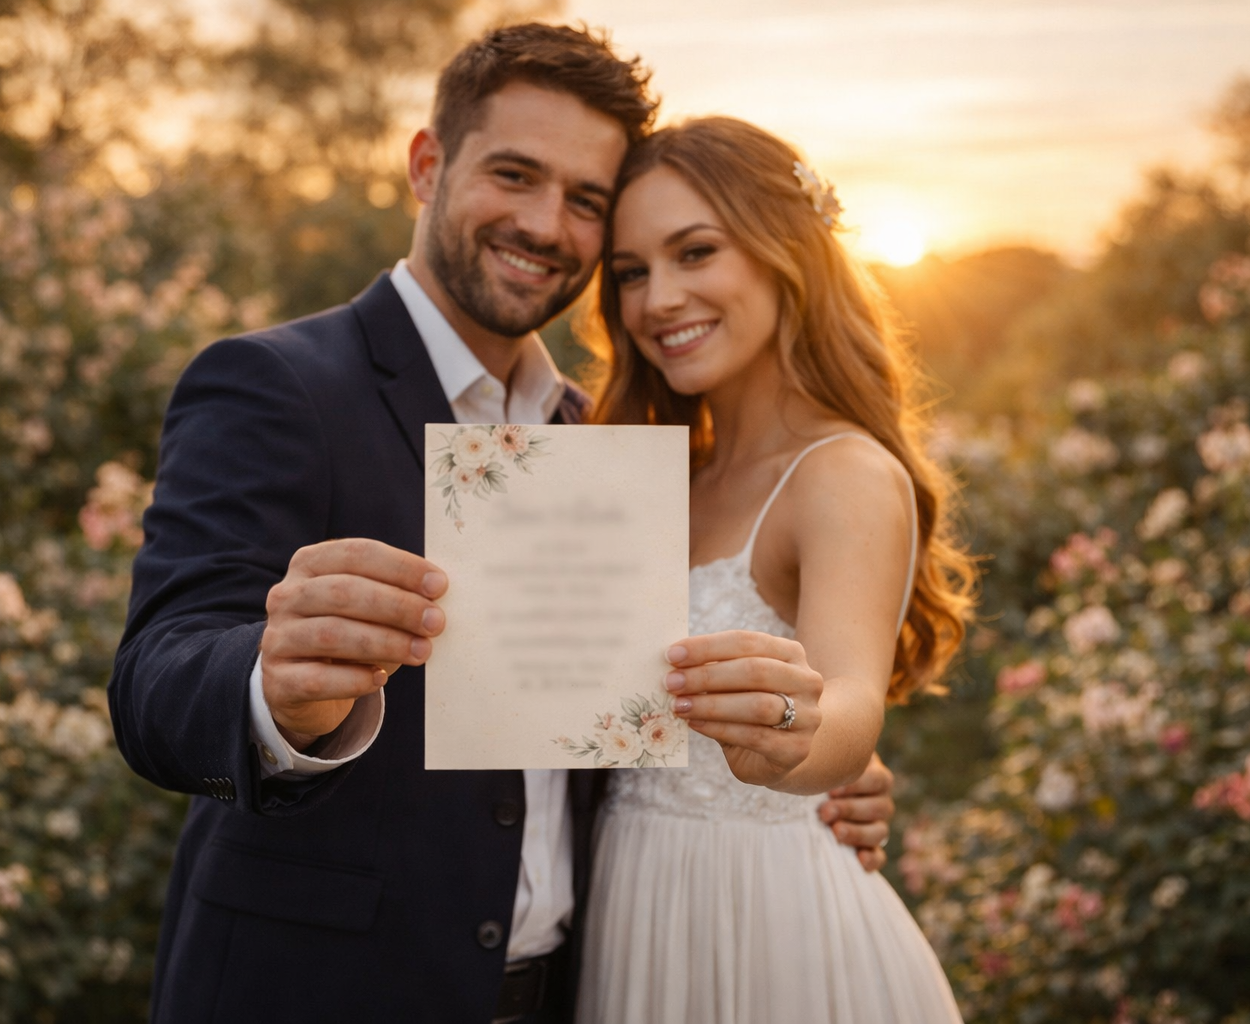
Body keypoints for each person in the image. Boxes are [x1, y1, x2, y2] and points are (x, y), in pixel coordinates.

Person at [108, 24, 896, 1024]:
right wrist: (274, 688)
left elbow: (634, 706)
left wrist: (831, 752)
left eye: (584, 202)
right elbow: (153, 680)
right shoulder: (276, 384)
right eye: (515, 174)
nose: (545, 224)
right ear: (427, 165)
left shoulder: (597, 441)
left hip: (584, 988)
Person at [577, 117, 977, 1023]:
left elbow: (850, 705)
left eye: (696, 252)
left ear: (782, 251)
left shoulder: (841, 473)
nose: (658, 299)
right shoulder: (649, 473)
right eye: (632, 272)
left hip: (769, 920)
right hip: (628, 909)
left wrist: (797, 739)